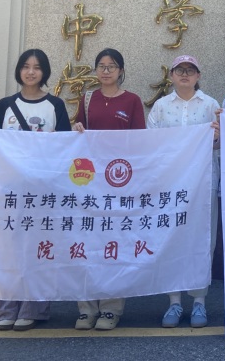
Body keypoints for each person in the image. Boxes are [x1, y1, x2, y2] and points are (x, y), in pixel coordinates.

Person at [0, 48, 71, 331]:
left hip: (44, 191)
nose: (31, 72)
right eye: (26, 66)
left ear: (45, 72)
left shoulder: (55, 106)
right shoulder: (4, 106)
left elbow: (66, 147)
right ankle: (6, 308)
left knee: (39, 249)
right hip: (9, 192)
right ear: (19, 70)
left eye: (37, 67)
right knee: (8, 249)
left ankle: (34, 308)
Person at [72, 48, 145, 331]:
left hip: (120, 181)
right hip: (90, 181)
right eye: (101, 66)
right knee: (88, 242)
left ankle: (112, 309)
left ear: (121, 70)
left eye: (111, 66)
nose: (105, 71)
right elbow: (77, 131)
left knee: (115, 242)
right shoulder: (87, 98)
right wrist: (77, 127)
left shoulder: (132, 100)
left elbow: (140, 142)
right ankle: (86, 309)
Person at [147, 55, 220, 329]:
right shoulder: (161, 107)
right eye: (180, 70)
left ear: (198, 75)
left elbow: (221, 144)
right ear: (172, 75)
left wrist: (217, 137)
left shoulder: (211, 105)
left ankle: (199, 301)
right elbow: (152, 143)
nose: (185, 74)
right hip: (171, 183)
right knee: (171, 238)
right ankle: (174, 301)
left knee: (203, 239)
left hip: (203, 182)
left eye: (191, 70)